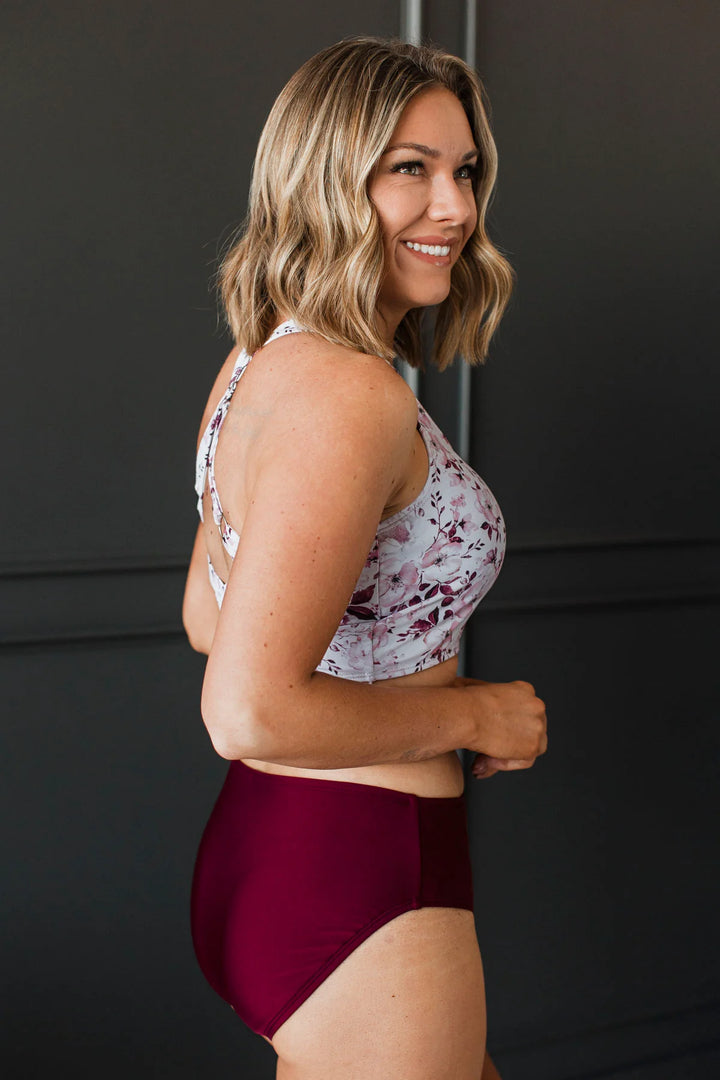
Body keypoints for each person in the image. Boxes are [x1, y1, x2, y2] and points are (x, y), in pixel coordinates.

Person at [182, 36, 547, 1080]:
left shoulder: (261, 354)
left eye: (464, 170)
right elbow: (242, 707)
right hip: (359, 871)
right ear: (328, 177)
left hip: (276, 846)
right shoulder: (351, 396)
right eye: (409, 169)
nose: (456, 209)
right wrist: (475, 713)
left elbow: (211, 620)